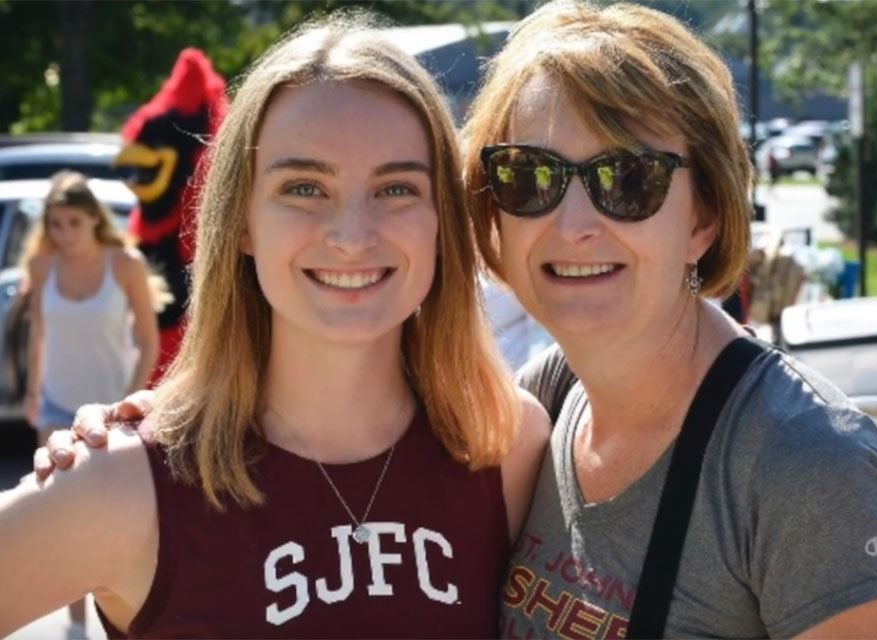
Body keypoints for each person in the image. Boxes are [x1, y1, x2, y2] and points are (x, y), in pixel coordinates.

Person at [34, 2, 877, 638]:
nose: (574, 223)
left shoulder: (797, 466)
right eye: (531, 177)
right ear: (487, 214)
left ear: (704, 215)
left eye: (628, 180)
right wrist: (115, 443)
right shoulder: (531, 415)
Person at [1, 15, 548, 639]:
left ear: (441, 223)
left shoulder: (508, 445)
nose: (351, 236)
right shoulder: (124, 483)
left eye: (397, 188)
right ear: (242, 223)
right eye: (304, 188)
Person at [18, 170, 163, 638]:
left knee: (119, 520)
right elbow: (40, 332)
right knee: (62, 521)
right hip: (58, 404)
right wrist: (33, 393)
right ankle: (78, 628)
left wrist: (128, 399)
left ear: (93, 219)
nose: (63, 234)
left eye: (73, 223)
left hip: (110, 413)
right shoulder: (42, 266)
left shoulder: (125, 263)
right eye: (55, 224)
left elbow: (148, 339)